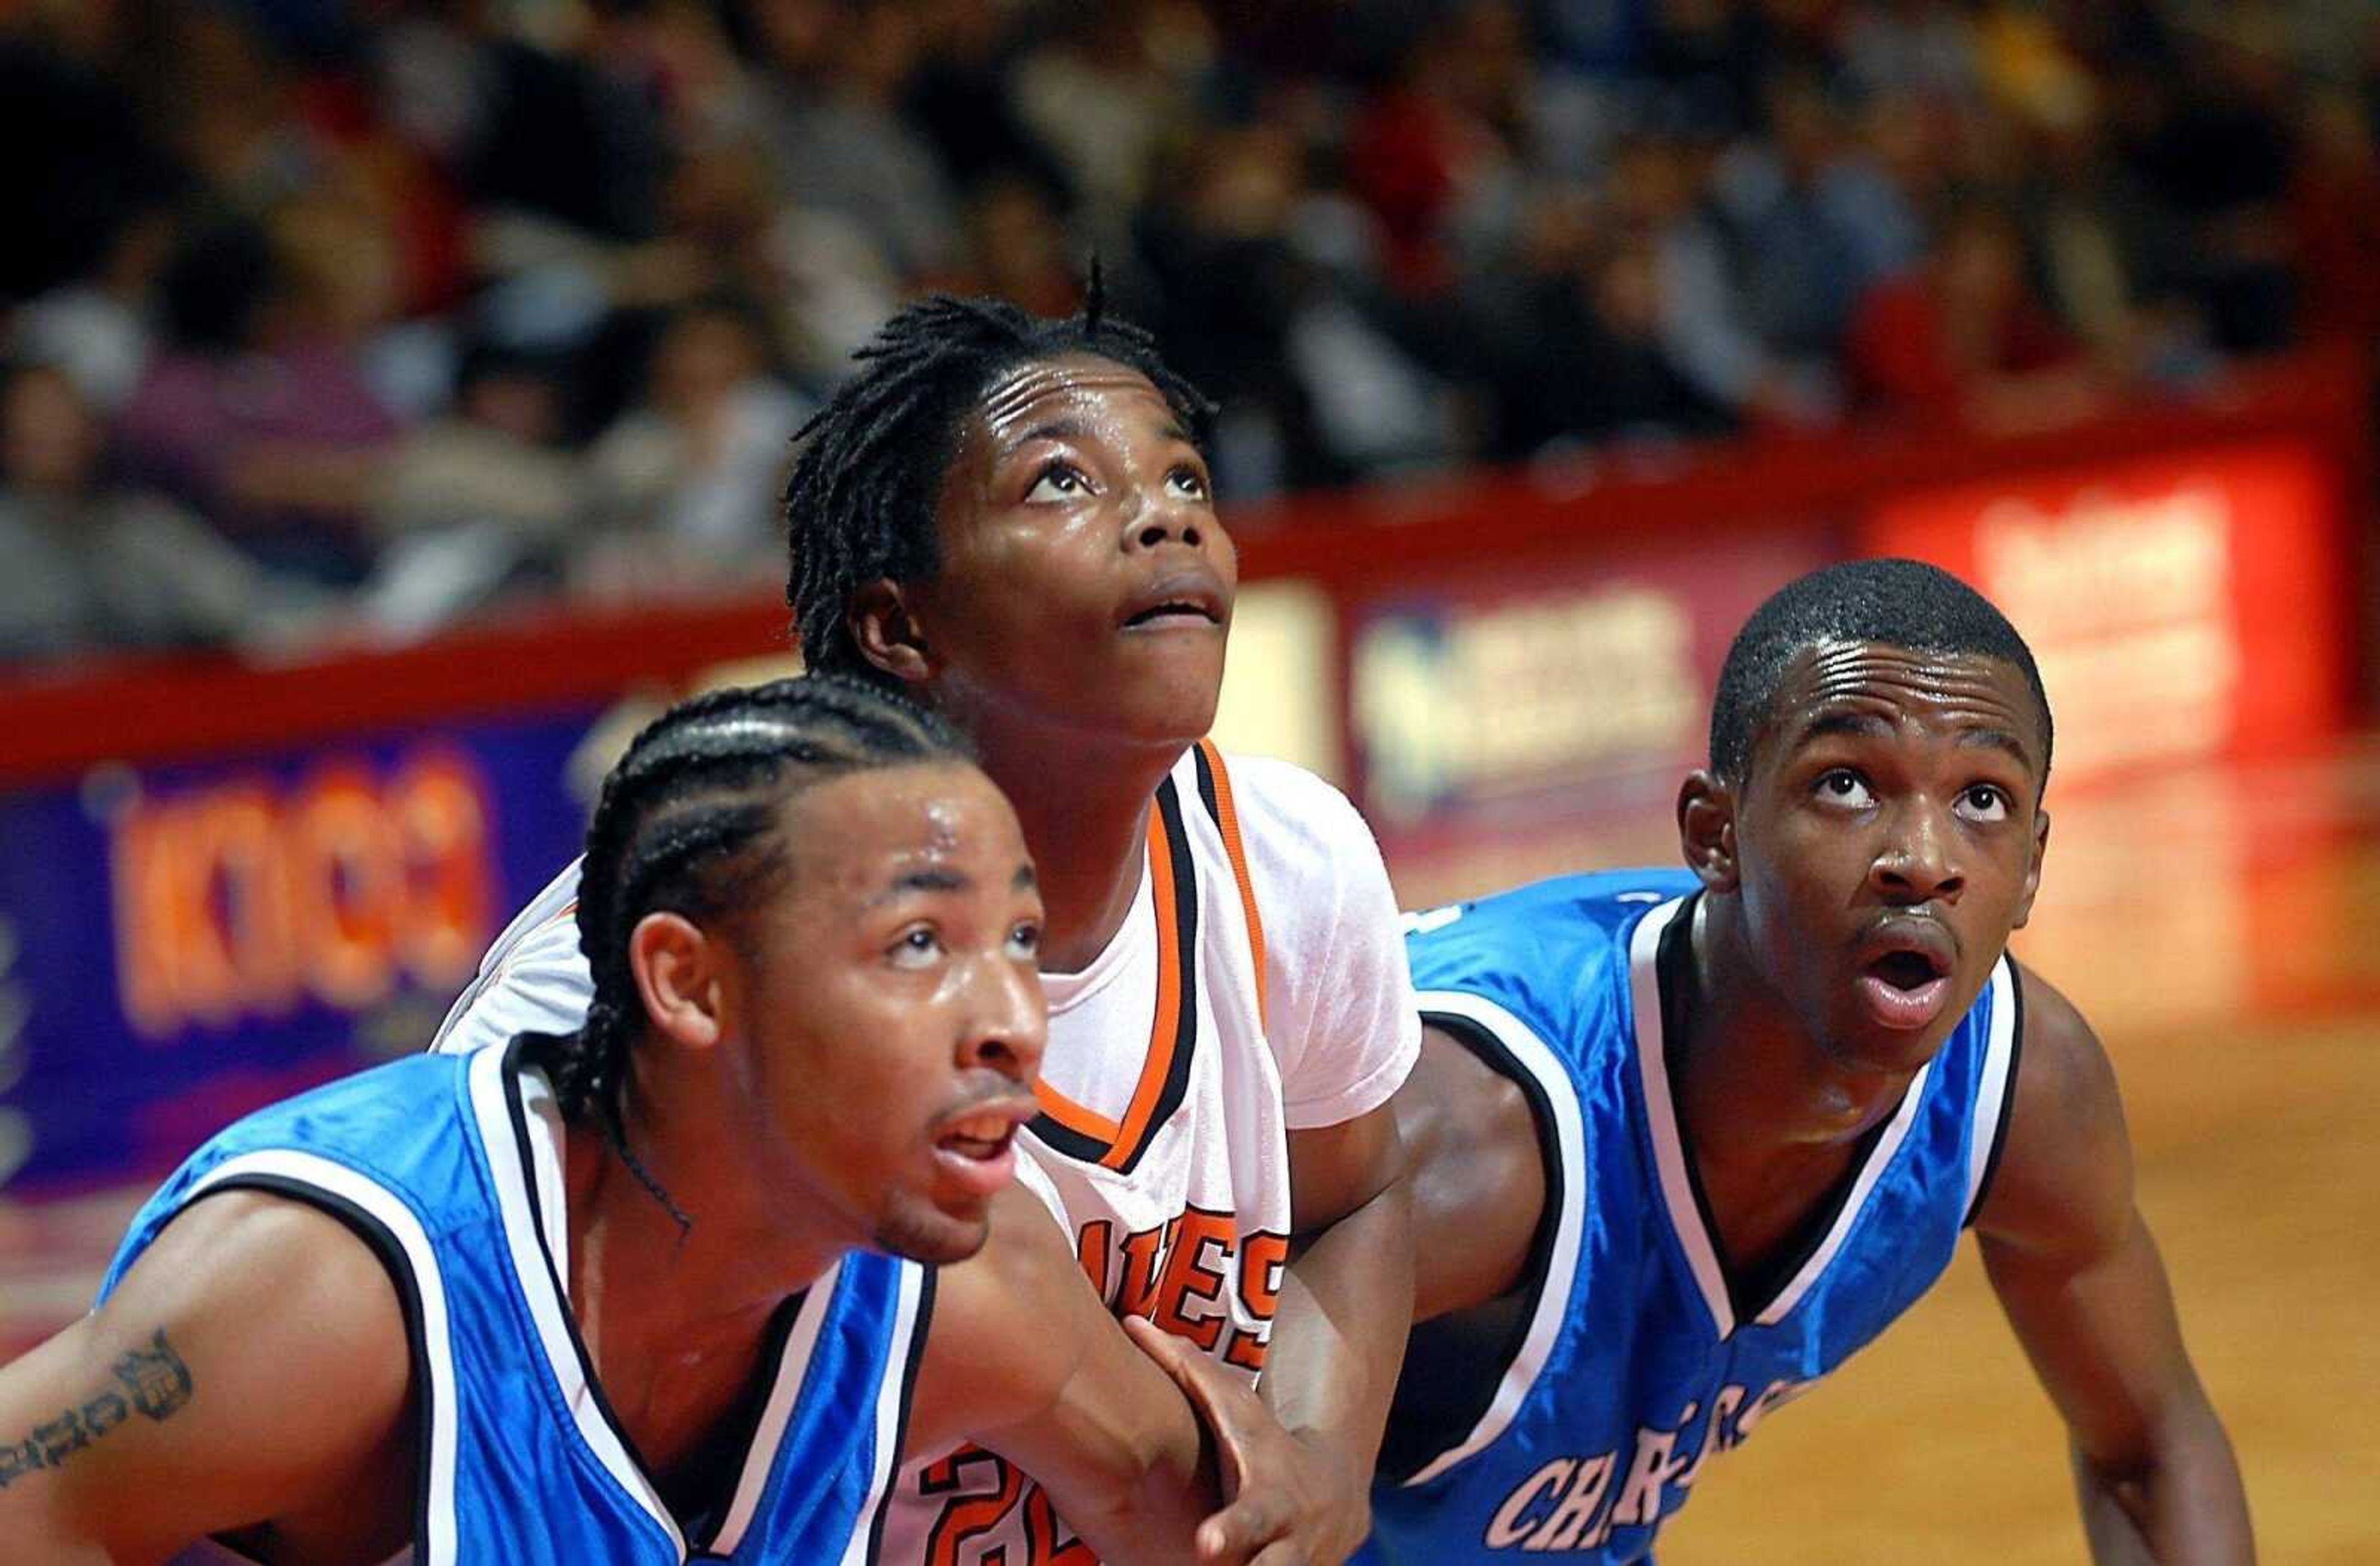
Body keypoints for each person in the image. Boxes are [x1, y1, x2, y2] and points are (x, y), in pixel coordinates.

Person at [436, 291, 1421, 1564]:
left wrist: (1323, 1459)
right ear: (900, 624)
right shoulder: (627, 990)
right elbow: (463, 1425)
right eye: (1062, 481)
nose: (1169, 512)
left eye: (1186, 475)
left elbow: (1356, 1197)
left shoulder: (1295, 862)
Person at [0, 676, 1253, 1564]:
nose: (1014, 1020)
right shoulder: (338, 1287)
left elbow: (1226, 1528)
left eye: (1018, 940)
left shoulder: (975, 1287)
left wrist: (1295, 1449)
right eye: (919, 942)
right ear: (687, 981)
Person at [1361, 559, 2253, 1562]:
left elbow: (2151, 1448)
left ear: (2034, 868)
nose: (1924, 856)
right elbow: (1159, 1450)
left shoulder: (2022, 1086)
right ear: (1715, 834)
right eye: (1846, 784)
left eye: (1984, 800)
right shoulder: (1476, 1134)